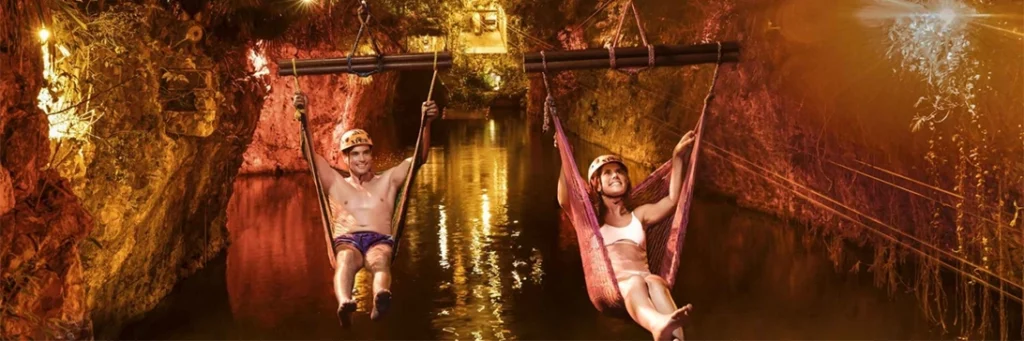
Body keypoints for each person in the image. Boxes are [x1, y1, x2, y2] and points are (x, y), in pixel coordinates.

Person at [294, 94, 439, 328]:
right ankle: (344, 304)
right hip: (346, 240)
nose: (362, 159)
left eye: (365, 153)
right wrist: (304, 118)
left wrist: (427, 123)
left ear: (372, 154)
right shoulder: (334, 182)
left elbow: (419, 158)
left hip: (380, 239)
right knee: (345, 260)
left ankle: (381, 297)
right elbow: (310, 156)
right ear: (345, 158)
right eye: (355, 154)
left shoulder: (388, 180)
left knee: (380, 260)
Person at [557, 130, 696, 341]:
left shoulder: (639, 216)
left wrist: (677, 157)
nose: (615, 175)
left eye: (620, 172)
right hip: (611, 290)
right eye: (607, 173)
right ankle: (658, 325)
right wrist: (565, 157)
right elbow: (565, 200)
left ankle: (676, 338)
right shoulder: (591, 224)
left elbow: (672, 200)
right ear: (596, 184)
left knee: (656, 282)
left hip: (645, 281)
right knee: (636, 283)